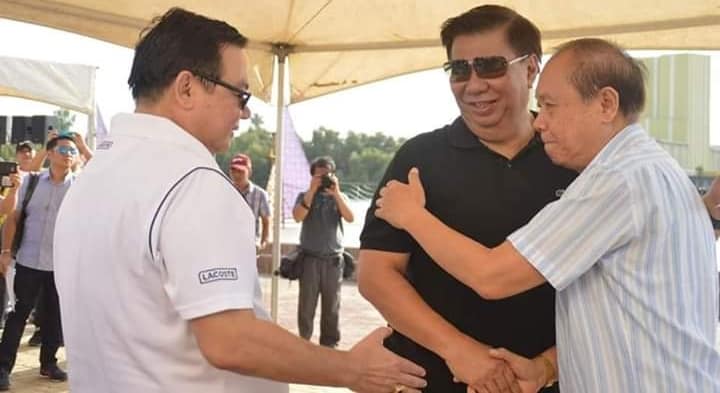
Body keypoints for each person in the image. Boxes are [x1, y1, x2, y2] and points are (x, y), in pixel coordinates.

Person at [53, 8, 425, 393]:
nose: (245, 112)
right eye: (240, 93)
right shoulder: (194, 183)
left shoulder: (94, 176)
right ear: (186, 88)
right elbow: (230, 340)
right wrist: (353, 370)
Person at [374, 38, 720, 392]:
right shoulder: (659, 169)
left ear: (605, 104)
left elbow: (492, 276)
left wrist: (411, 215)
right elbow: (622, 308)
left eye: (550, 106)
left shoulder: (617, 179)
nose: (540, 123)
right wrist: (544, 368)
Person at [358, 5, 573, 392]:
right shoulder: (418, 159)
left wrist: (547, 366)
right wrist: (460, 352)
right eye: (459, 69)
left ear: (530, 68)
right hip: (435, 380)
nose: (473, 84)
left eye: (490, 66)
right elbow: (375, 275)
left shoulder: (573, 159)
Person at [0, 134, 80, 389]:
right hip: (28, 260)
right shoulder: (31, 183)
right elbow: (13, 217)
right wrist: (5, 251)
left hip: (60, 264)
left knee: (55, 315)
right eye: (63, 149)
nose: (68, 153)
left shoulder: (79, 187)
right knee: (19, 315)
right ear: (50, 153)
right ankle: (2, 368)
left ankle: (49, 362)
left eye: (72, 150)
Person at [292, 156, 354, 348]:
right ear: (312, 177)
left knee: (332, 306)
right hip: (310, 258)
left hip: (333, 261)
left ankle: (329, 344)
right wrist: (312, 191)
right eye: (318, 176)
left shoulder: (339, 197)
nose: (323, 180)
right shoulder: (304, 195)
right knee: (306, 305)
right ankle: (304, 343)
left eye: (326, 175)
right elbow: (297, 216)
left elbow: (350, 217)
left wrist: (336, 193)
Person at [228, 153, 270, 251]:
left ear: (249, 172)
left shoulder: (260, 194)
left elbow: (266, 222)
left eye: (240, 171)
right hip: (228, 245)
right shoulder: (224, 191)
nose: (236, 175)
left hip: (250, 245)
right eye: (233, 171)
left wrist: (262, 244)